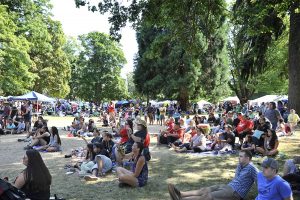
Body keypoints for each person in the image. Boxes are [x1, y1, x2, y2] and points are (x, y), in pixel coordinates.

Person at [168, 150, 258, 200]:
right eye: (239, 156)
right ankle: (181, 194)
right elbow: (236, 179)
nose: (239, 158)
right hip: (229, 187)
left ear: (248, 158)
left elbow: (261, 181)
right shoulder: (240, 165)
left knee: (208, 197)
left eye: (241, 156)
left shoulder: (252, 168)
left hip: (235, 193)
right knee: (205, 190)